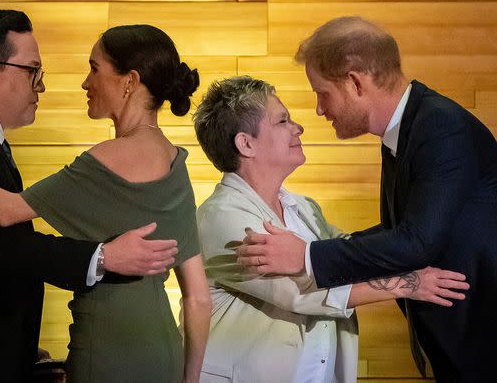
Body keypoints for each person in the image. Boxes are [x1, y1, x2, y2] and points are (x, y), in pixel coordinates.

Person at [0, 24, 212, 382]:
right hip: (164, 353)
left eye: (94, 69)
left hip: (107, 347)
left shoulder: (103, 160)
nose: (85, 82)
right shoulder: (177, 162)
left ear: (129, 81)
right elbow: (199, 299)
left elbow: (6, 211)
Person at [236, 17, 497, 381]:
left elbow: (416, 242)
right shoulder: (410, 129)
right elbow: (404, 229)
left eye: (322, 92)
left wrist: (306, 255)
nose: (319, 109)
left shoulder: (440, 127)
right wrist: (317, 247)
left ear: (355, 82)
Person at [192, 75, 469, 382]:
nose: (298, 128)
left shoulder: (306, 209)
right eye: (282, 120)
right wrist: (407, 284)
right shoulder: (220, 216)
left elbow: (352, 255)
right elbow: (299, 291)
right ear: (246, 143)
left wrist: (423, 228)